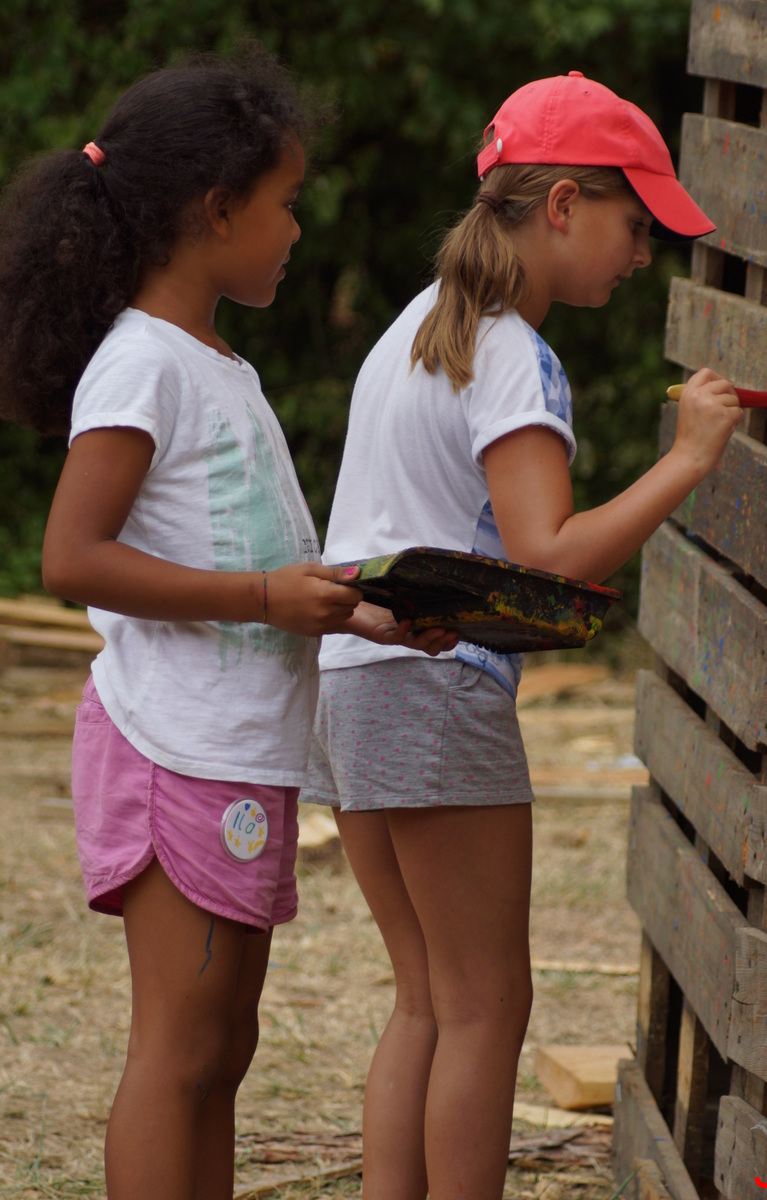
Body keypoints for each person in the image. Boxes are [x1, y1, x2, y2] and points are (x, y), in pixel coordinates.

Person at [0, 44, 453, 1200]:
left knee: (223, 1050)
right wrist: (262, 598)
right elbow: (71, 557)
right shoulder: (142, 365)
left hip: (233, 749)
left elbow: (247, 559)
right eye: (284, 202)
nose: (296, 228)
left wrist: (363, 607)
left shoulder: (214, 366)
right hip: (175, 750)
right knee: (181, 1051)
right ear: (214, 209)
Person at [304, 72, 742, 1200]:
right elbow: (548, 556)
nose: (640, 253)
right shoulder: (511, 353)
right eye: (633, 223)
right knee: (487, 1006)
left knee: (425, 1000)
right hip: (433, 687)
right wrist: (689, 461)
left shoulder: (418, 325)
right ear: (560, 204)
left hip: (352, 684)